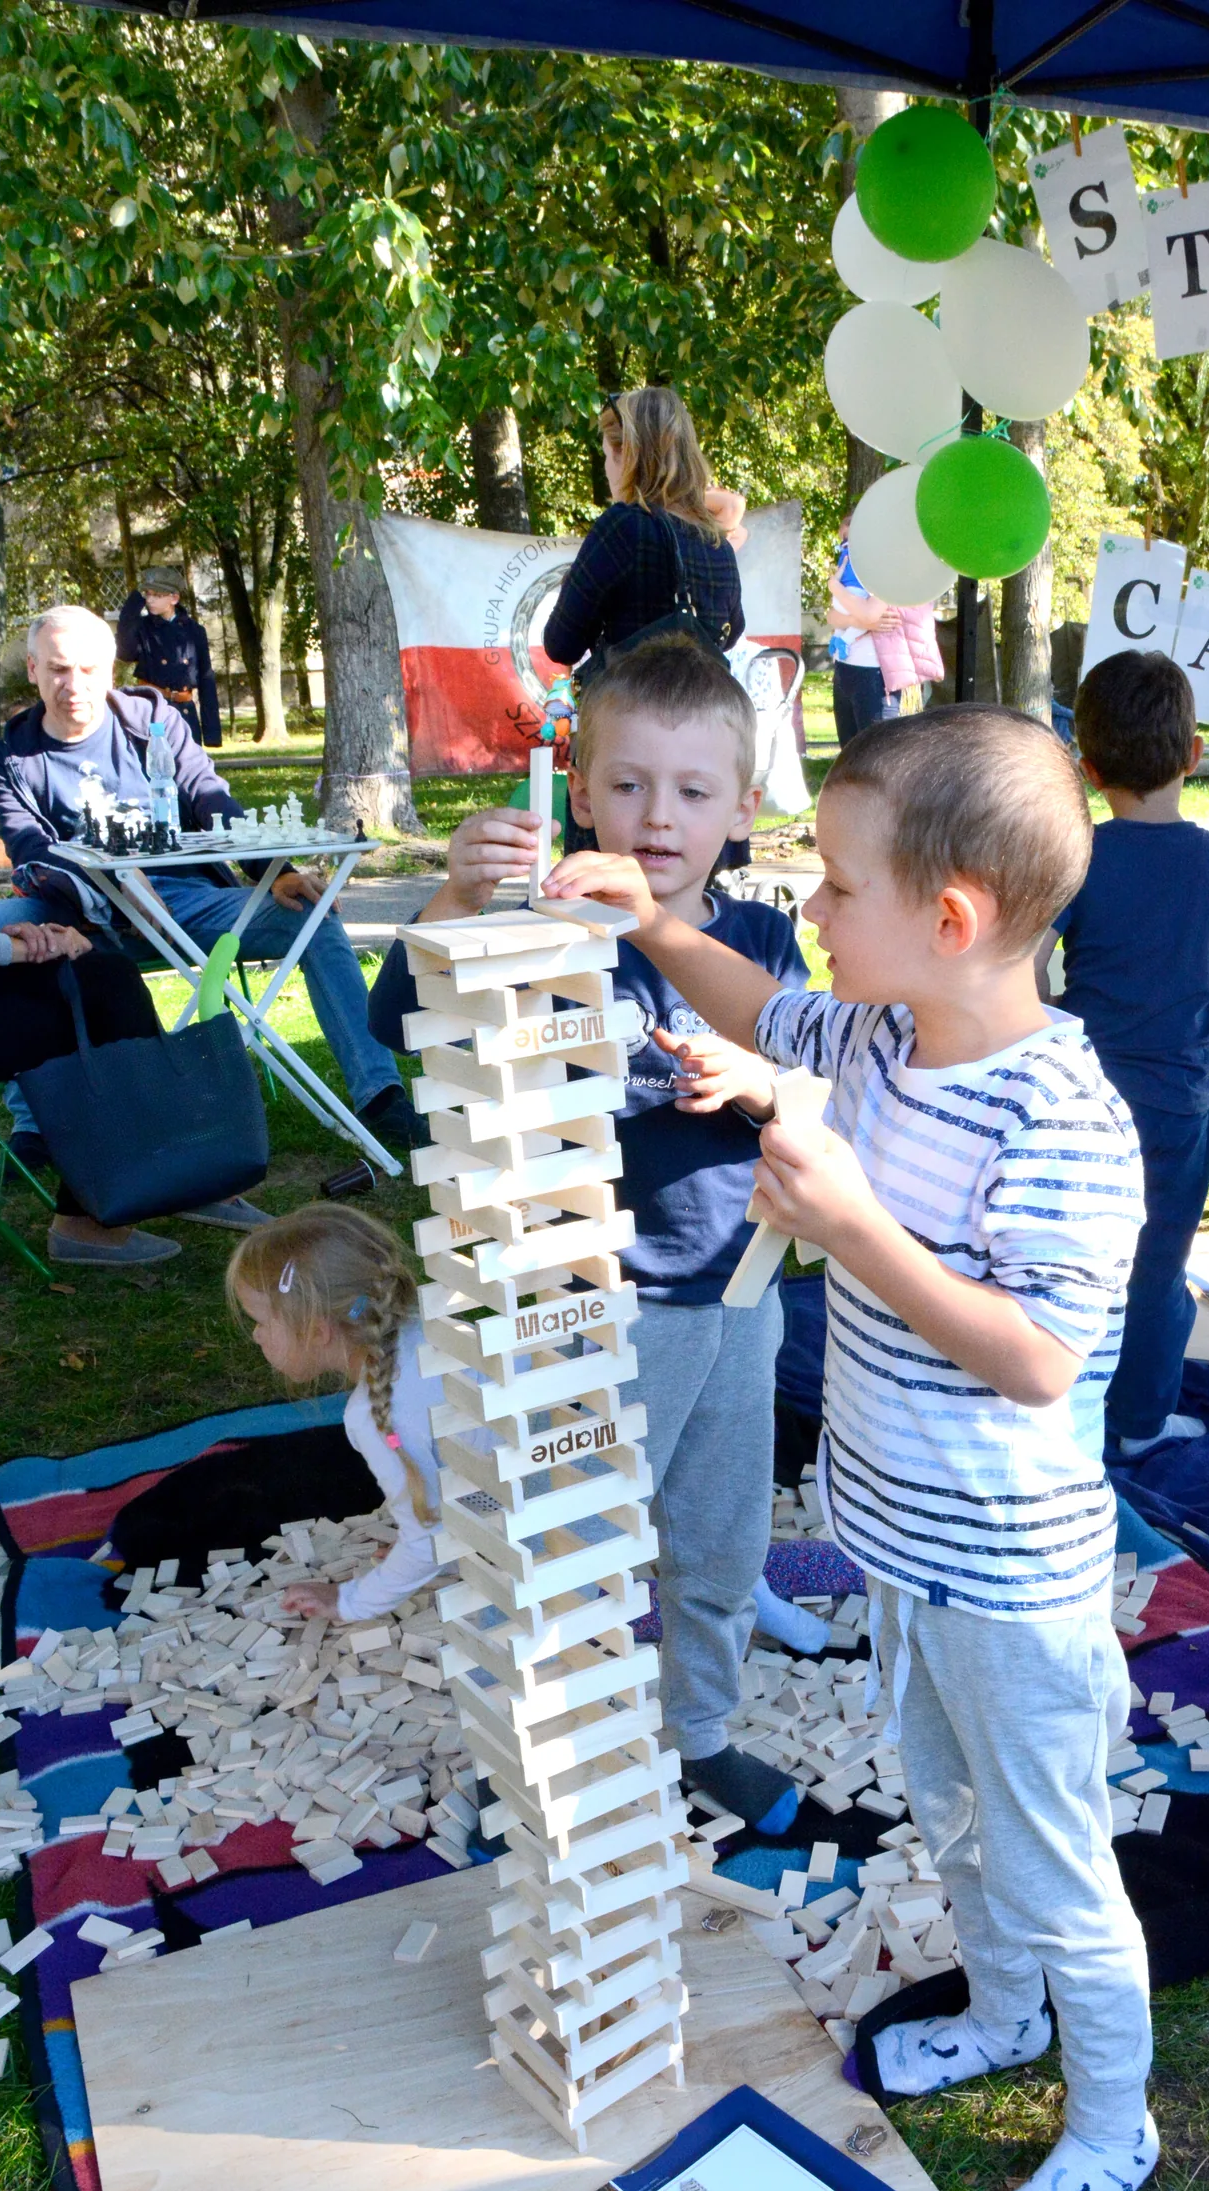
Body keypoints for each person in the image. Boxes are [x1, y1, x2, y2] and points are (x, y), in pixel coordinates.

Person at [543, 704, 1155, 2191]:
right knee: (945, 1815)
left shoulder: (1061, 1120)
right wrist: (659, 921)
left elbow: (1029, 1358)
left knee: (1049, 1858)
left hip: (1014, 1590)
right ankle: (1002, 2012)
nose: (806, 913)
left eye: (832, 886)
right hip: (901, 1552)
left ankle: (1109, 2127)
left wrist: (854, 1227)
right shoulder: (877, 1035)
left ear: (946, 919)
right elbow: (762, 1005)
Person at [368, 636, 811, 1832]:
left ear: (744, 807)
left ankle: (702, 1731)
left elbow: (819, 1075)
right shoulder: (534, 924)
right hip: (589, 1303)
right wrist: (457, 897)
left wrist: (761, 1082)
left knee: (719, 1550)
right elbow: (404, 1024)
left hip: (740, 1294)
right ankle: (532, 1748)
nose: (658, 816)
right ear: (578, 790)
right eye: (628, 783)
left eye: (693, 790)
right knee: (565, 1550)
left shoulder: (760, 949)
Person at [0, 605, 421, 1159]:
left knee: (311, 913)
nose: (74, 685)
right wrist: (109, 882)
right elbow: (29, 847)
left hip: (185, 901)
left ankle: (379, 1093)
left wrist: (274, 874)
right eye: (59, 670)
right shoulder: (11, 755)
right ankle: (35, 1125)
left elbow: (212, 797)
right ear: (33, 669)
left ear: (112, 667)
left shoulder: (150, 720)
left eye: (89, 669)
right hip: (80, 912)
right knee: (0, 927)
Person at [1047, 652, 1209, 1457]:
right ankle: (1138, 1423)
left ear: (1087, 766)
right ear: (1193, 754)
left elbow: (1023, 954)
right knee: (1154, 1269)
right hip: (1174, 1106)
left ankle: (1060, 1408)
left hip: (1074, 1096)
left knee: (1062, 1257)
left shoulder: (1077, 858)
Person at [229, 1202, 465, 1623]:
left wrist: (349, 1600)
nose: (256, 1334)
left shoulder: (376, 1418)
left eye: (262, 1321)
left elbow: (427, 1541)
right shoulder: (438, 1330)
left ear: (317, 1331)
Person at [0, 904, 213, 1267]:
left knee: (106, 975)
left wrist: (30, 940)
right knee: (90, 1015)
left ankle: (181, 1170)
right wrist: (33, 948)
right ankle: (177, 1170)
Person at [543, 390, 745, 680]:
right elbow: (731, 634)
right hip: (699, 718)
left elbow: (561, 645)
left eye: (606, 455)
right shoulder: (717, 543)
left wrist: (575, 583)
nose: (605, 467)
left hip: (629, 717)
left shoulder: (622, 527)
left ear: (627, 455)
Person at [115, 569, 222, 746]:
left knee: (187, 768)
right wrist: (131, 609)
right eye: (148, 594)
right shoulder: (143, 628)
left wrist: (212, 733)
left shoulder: (194, 631)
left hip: (185, 711)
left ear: (174, 599)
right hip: (153, 708)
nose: (150, 600)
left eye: (157, 595)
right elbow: (125, 654)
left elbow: (206, 679)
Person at [827, 516, 904, 744]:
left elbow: (871, 613)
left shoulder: (890, 569)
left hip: (875, 674)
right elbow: (832, 616)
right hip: (845, 669)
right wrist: (858, 621)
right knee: (850, 752)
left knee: (875, 756)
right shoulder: (854, 568)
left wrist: (835, 588)